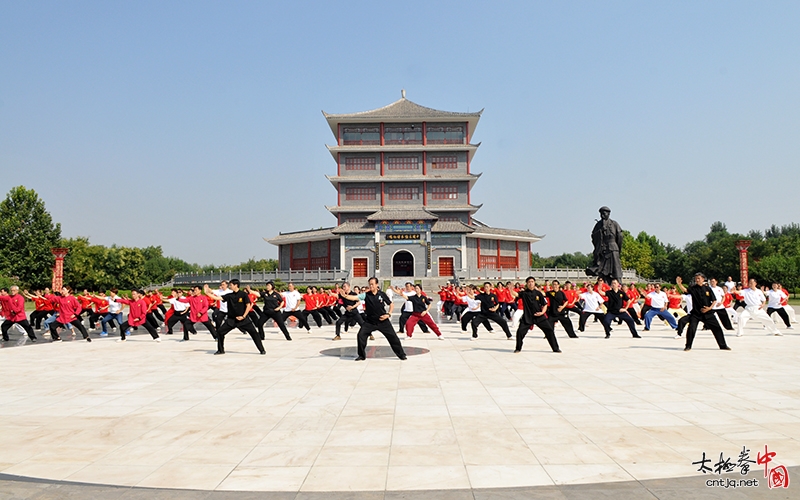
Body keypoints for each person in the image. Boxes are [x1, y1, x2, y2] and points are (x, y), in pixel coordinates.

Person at [205, 279, 265, 355]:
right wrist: (207, 293)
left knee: (254, 334)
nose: (230, 286)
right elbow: (218, 298)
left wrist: (243, 316)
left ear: (236, 285)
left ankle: (262, 350)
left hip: (243, 319)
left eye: (231, 285)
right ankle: (220, 350)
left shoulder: (243, 294)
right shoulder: (230, 295)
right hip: (231, 320)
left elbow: (248, 305)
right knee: (220, 332)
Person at [352, 278, 406, 361]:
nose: (371, 286)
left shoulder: (382, 294)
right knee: (361, 335)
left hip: (383, 321)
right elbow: (355, 298)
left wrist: (388, 314)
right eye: (369, 284)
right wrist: (344, 296)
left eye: (372, 284)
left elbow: (391, 304)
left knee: (393, 338)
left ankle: (401, 355)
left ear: (377, 285)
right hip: (370, 321)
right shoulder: (366, 295)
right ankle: (361, 356)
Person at [676, 275, 731, 351]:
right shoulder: (693, 288)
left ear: (703, 279)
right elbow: (685, 290)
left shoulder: (707, 288)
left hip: (707, 313)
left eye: (698, 278)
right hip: (696, 313)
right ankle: (688, 346)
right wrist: (679, 284)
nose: (697, 280)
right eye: (696, 279)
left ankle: (723, 345)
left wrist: (709, 308)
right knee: (691, 329)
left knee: (717, 328)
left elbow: (714, 300)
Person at [509, 277, 560, 353]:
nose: (530, 283)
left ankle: (555, 348)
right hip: (527, 317)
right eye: (529, 282)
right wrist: (510, 289)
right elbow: (516, 294)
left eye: (532, 281)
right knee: (520, 332)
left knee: (549, 331)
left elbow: (545, 304)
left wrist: (542, 312)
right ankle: (518, 348)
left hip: (539, 316)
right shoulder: (524, 293)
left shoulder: (538, 293)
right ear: (527, 283)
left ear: (534, 283)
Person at [586, 206, 623, 283]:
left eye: (604, 213)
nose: (602, 215)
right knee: (602, 271)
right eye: (601, 213)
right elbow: (593, 236)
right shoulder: (598, 225)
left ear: (608, 214)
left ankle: (619, 284)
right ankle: (604, 284)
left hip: (613, 248)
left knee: (615, 269)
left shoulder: (614, 224)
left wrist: (617, 248)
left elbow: (620, 237)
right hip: (602, 249)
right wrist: (600, 232)